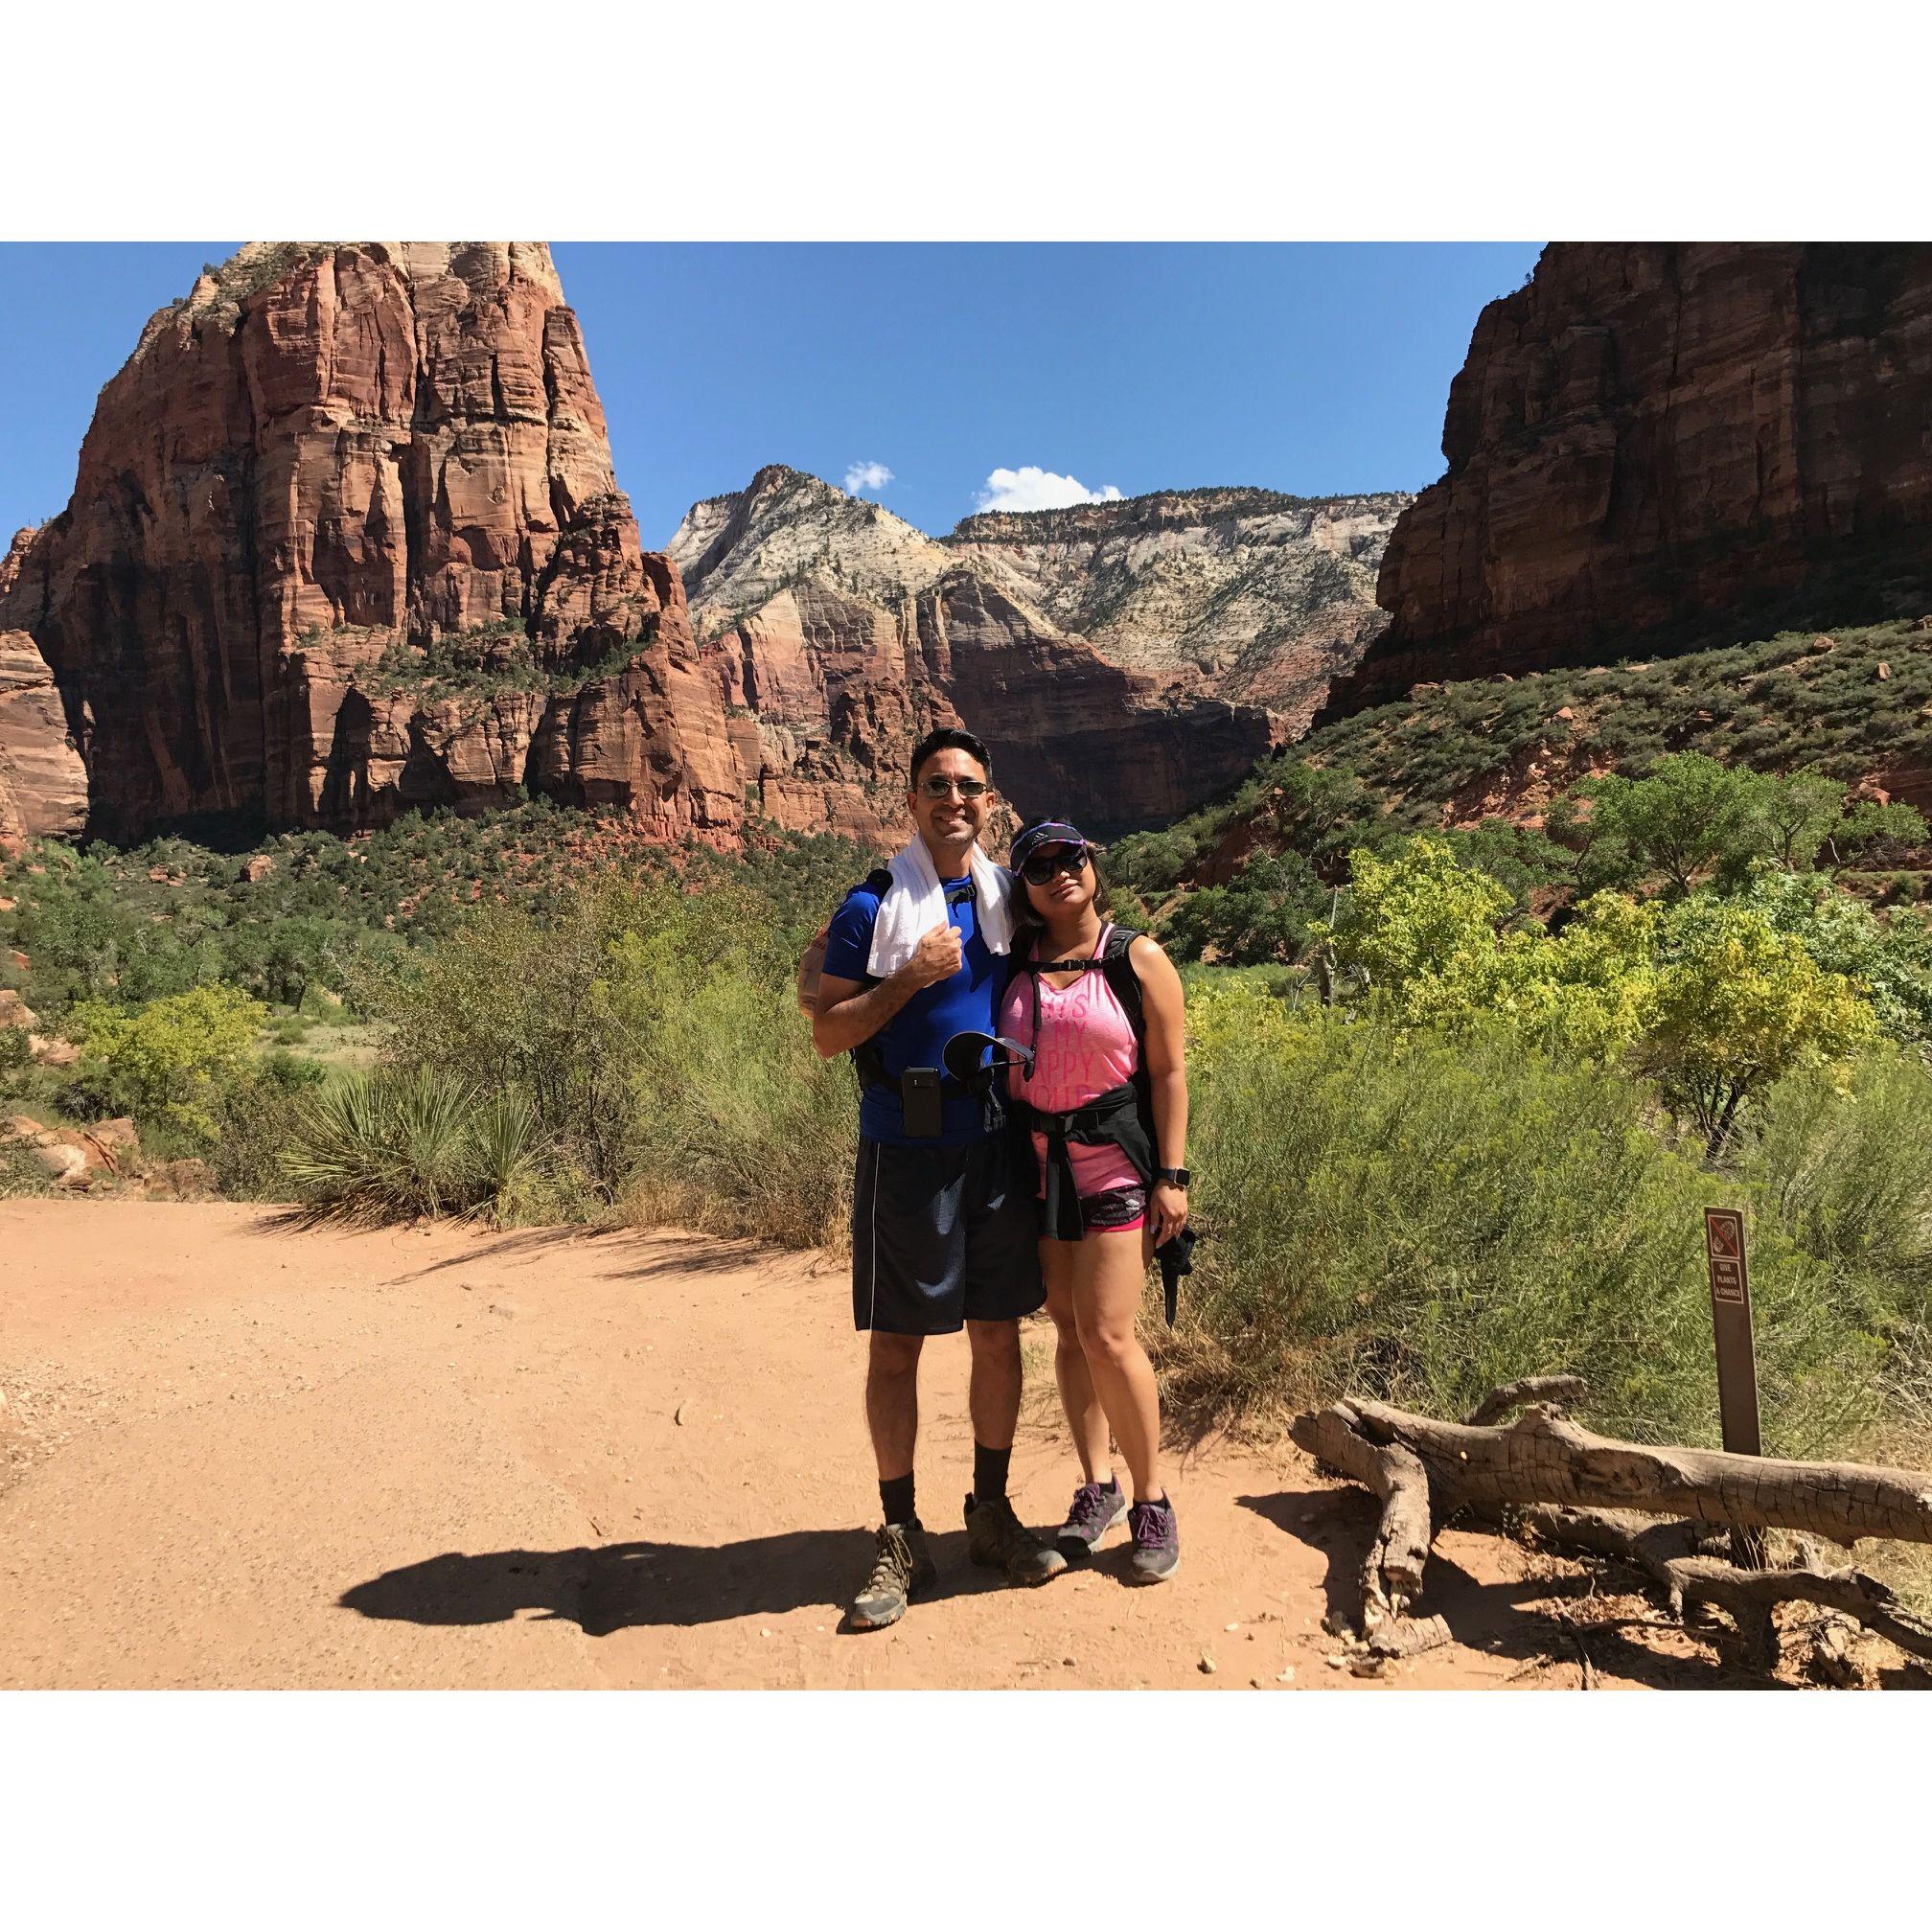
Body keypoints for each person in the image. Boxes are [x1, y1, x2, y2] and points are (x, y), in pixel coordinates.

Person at [811, 727, 1068, 1630]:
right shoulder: (874, 903)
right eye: (936, 786)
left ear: (990, 801)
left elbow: (1081, 939)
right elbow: (827, 1026)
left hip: (995, 1141)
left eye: (969, 787)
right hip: (906, 1149)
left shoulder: (1010, 896)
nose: (953, 800)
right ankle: (898, 1531)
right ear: (911, 801)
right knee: (899, 1344)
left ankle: (988, 1512)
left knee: (999, 1335)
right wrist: (908, 981)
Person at [999, 816, 1189, 1582]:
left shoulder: (1135, 957)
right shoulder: (1014, 962)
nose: (1058, 873)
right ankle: (1096, 1487)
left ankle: (1154, 1501)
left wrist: (1172, 1178)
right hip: (1041, 1172)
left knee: (1109, 1334)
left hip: (1114, 1167)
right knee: (1069, 1335)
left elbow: (1170, 1074)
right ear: (1026, 889)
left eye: (1069, 857)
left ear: (1091, 864)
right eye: (1039, 866)